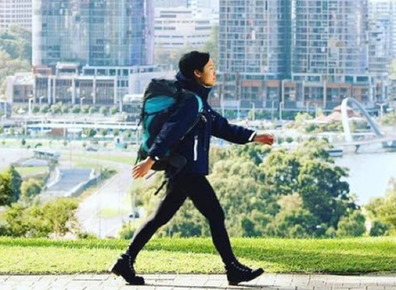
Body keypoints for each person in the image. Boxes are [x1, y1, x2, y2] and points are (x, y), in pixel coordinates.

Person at [110, 51, 275, 286]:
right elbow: (171, 130)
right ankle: (233, 268)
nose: (214, 71)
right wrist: (151, 158)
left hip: (184, 168)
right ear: (197, 73)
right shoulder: (191, 101)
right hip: (187, 170)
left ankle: (125, 261)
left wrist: (254, 136)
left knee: (160, 217)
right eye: (210, 67)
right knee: (215, 214)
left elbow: (222, 127)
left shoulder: (197, 100)